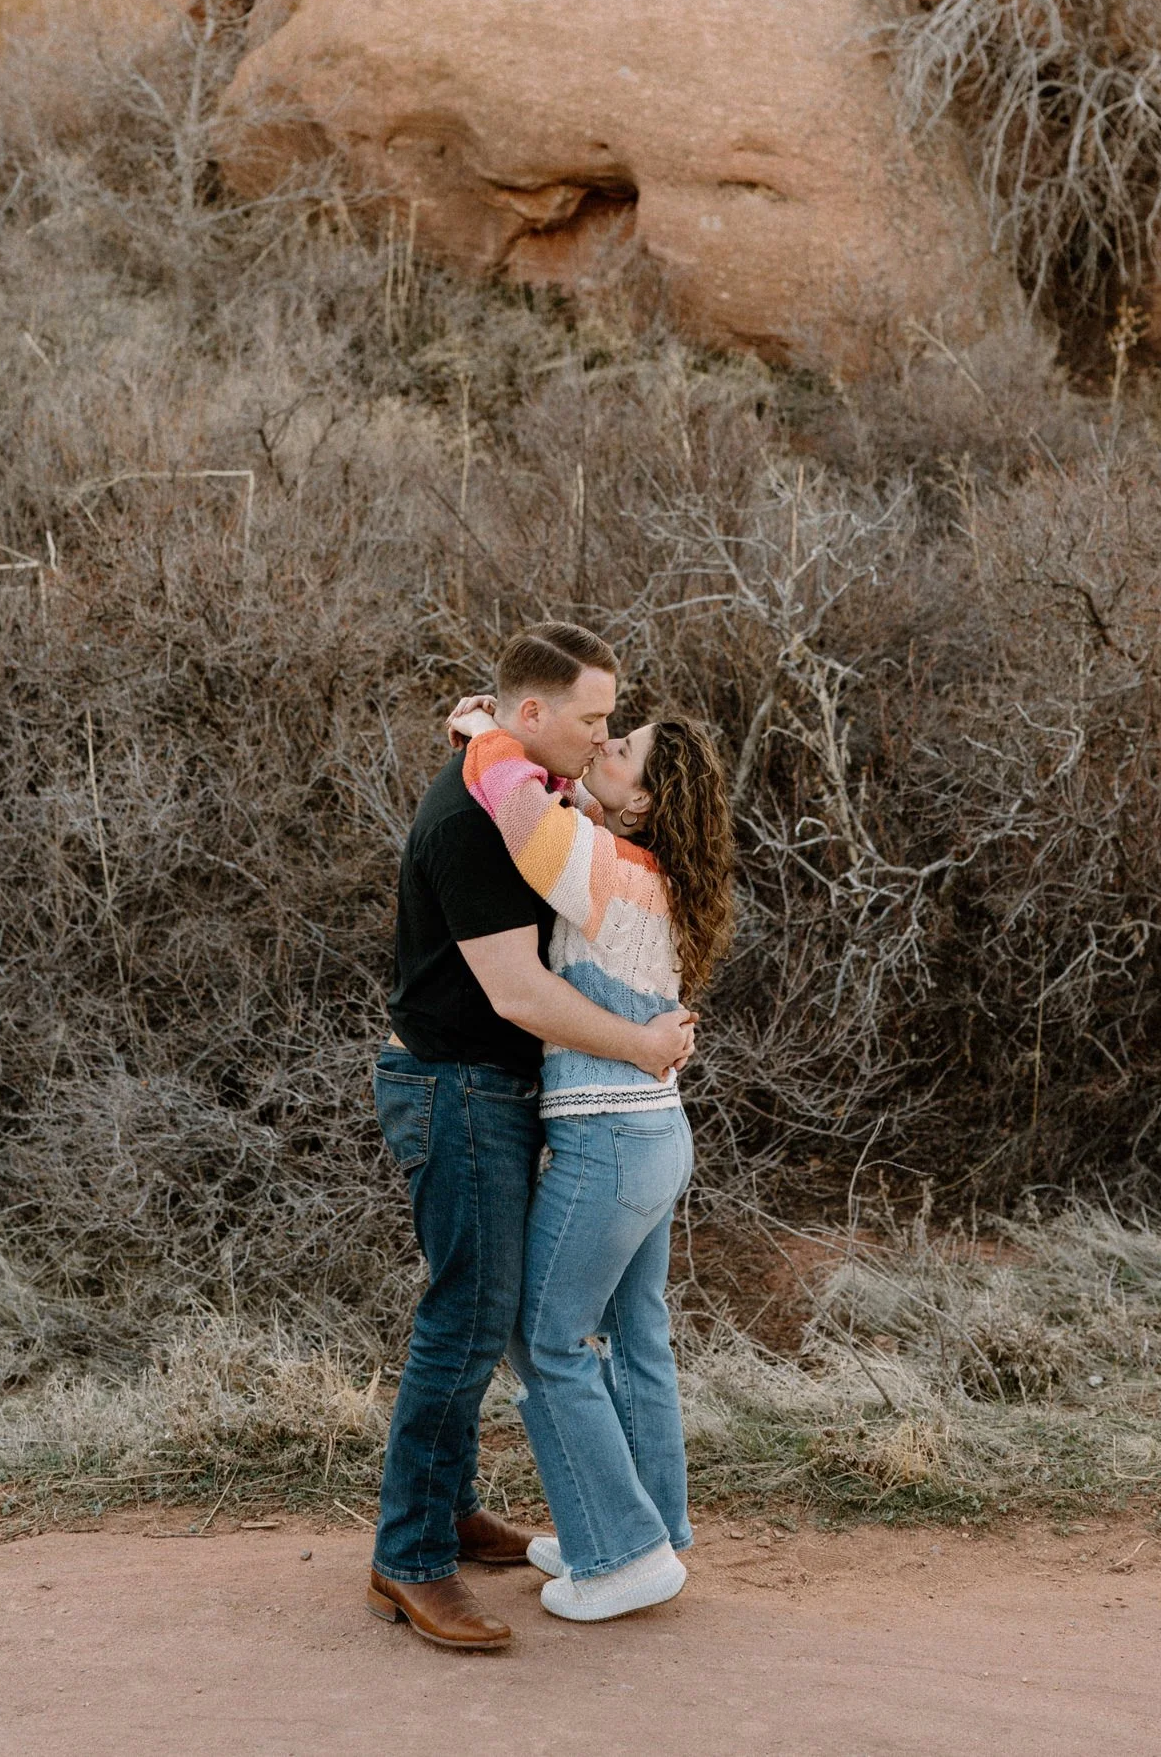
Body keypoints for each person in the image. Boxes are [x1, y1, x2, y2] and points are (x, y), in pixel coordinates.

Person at [366, 623, 698, 1654]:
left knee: (496, 1314)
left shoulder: (540, 804)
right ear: (533, 715)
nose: (602, 736)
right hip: (456, 1086)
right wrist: (643, 1045)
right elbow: (517, 991)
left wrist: (485, 734)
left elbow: (521, 783)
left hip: (507, 1094)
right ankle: (409, 1558)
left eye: (614, 728)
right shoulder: (478, 822)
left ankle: (458, 1514)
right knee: (469, 1320)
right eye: (592, 720)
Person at [450, 696, 734, 1622]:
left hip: (609, 1137)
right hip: (653, 1135)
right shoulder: (653, 873)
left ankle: (621, 1554)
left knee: (545, 1338)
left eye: (619, 751)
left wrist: (483, 733)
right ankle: (639, 1525)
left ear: (642, 804)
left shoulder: (603, 869)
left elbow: (521, 813)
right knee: (636, 1339)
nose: (599, 749)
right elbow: (553, 806)